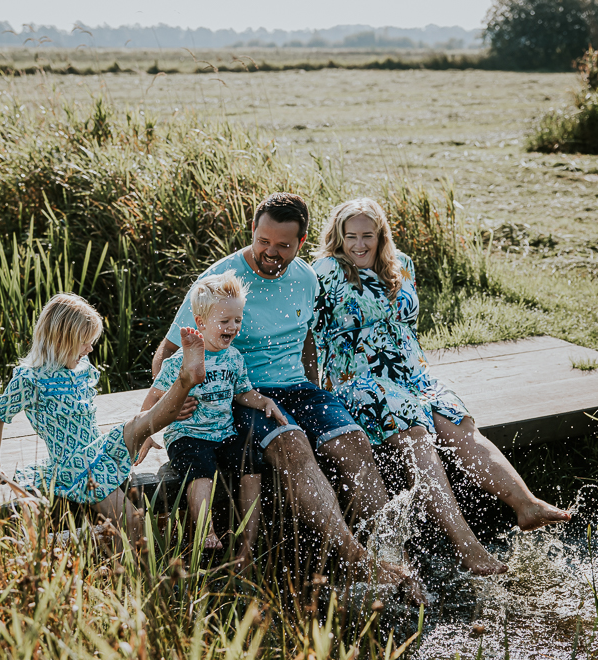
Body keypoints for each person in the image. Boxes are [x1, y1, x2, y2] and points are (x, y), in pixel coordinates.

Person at [151, 193, 412, 590]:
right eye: (263, 241)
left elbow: (305, 338)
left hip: (298, 387)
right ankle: (355, 558)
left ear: (302, 242)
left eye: (283, 246)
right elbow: (167, 353)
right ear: (253, 230)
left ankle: (395, 557)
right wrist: (175, 401)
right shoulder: (219, 282)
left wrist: (313, 387)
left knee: (355, 442)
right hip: (243, 392)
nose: (270, 252)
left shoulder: (306, 278)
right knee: (292, 446)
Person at [311, 197, 571, 575]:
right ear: (338, 237)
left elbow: (404, 326)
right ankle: (468, 548)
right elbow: (307, 330)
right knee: (417, 433)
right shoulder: (327, 271)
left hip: (413, 376)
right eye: (350, 236)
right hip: (360, 380)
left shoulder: (402, 266)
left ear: (381, 235)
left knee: (458, 422)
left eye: (367, 235)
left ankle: (526, 504)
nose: (359, 245)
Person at [0, 293, 207, 552]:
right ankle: (185, 380)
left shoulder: (81, 367)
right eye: (84, 343)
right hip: (75, 467)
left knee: (137, 425)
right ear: (61, 339)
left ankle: (183, 382)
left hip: (99, 450)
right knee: (132, 522)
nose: (90, 349)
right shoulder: (30, 379)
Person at [140, 270, 282, 570]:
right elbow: (155, 396)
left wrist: (265, 401)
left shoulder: (234, 358)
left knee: (251, 462)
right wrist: (146, 431)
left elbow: (244, 393)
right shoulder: (180, 360)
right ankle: (206, 531)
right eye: (225, 321)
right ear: (201, 323)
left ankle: (247, 539)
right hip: (188, 434)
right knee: (200, 468)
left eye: (237, 321)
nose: (233, 327)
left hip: (223, 433)